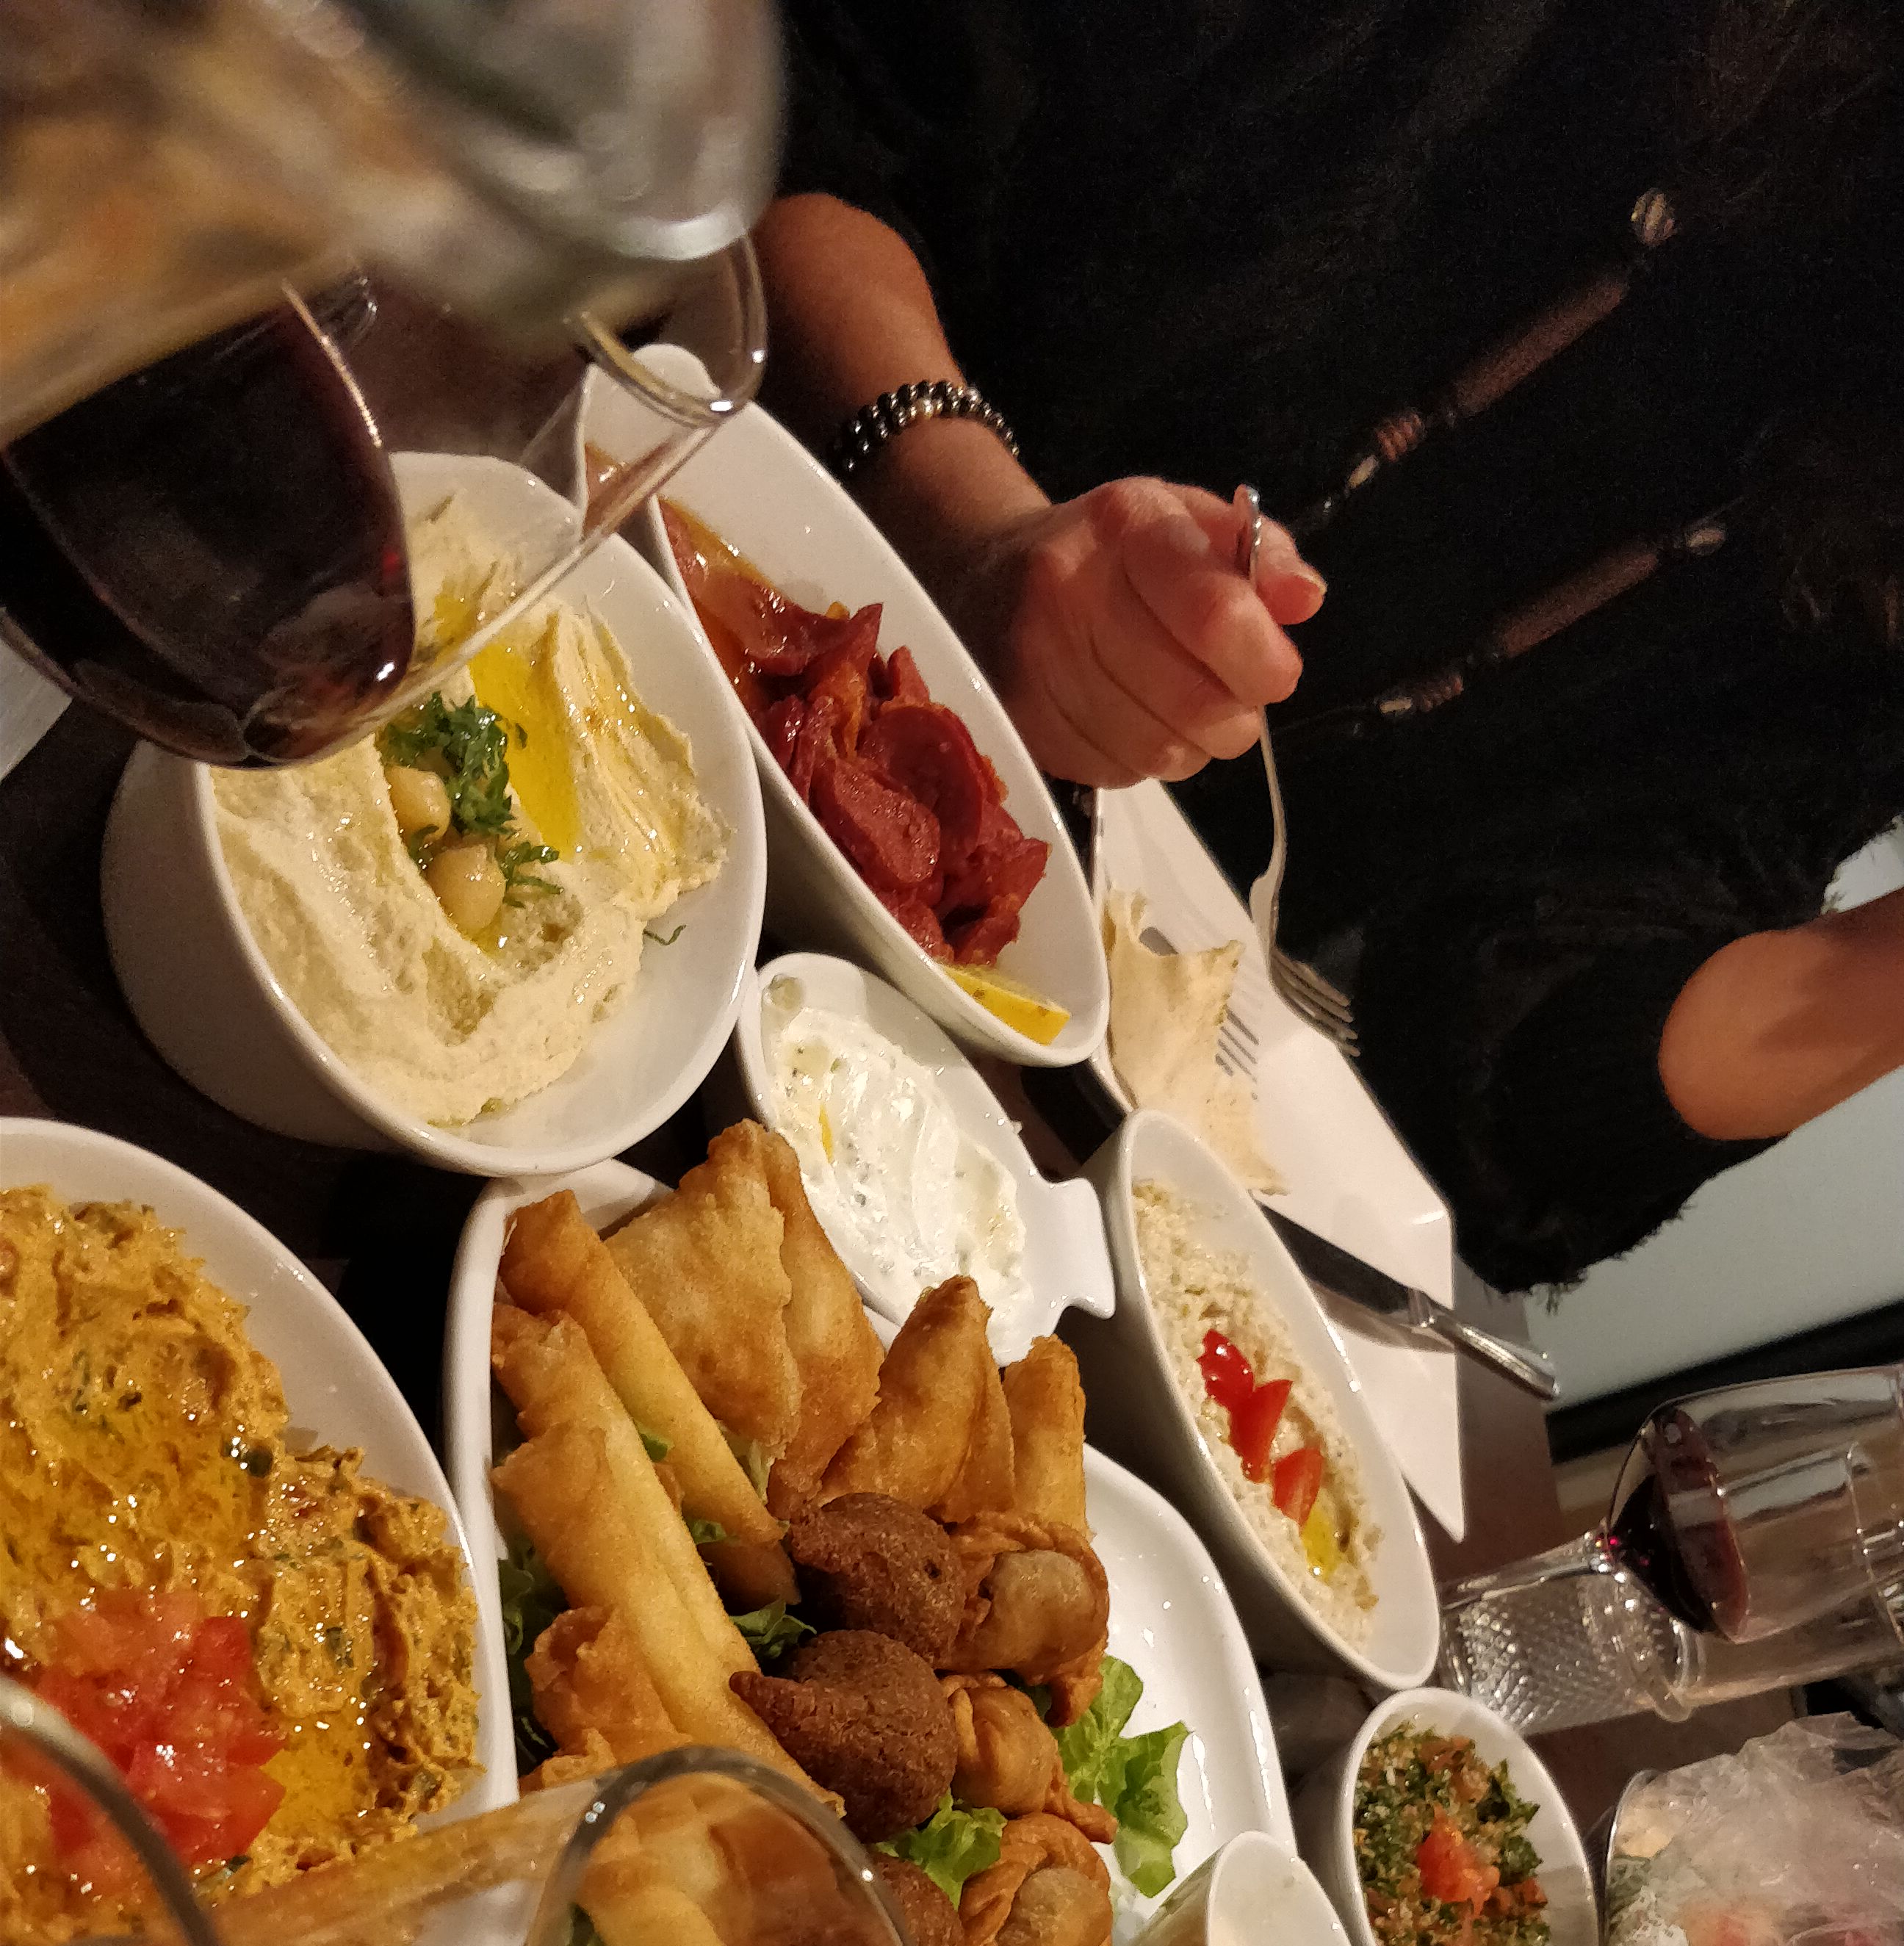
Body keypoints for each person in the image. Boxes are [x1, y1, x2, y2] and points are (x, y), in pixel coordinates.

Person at [753, 0, 1904, 1292]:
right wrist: (973, 529)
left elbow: (1490, 1089)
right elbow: (817, 81)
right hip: (728, 529)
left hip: (970, 1076)